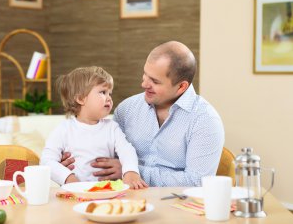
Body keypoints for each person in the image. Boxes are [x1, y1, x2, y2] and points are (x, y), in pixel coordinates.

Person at [61, 41, 225, 187]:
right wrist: (76, 160)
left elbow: (197, 182)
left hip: (176, 206)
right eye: (145, 75)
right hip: (124, 202)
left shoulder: (205, 120)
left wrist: (130, 171)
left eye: (154, 81)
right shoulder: (127, 109)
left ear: (181, 87)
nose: (144, 84)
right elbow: (106, 154)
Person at [40, 66, 148, 189]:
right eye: (103, 92)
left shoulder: (112, 128)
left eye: (109, 93)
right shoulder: (63, 129)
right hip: (74, 192)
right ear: (81, 98)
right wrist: (68, 178)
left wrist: (130, 172)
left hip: (108, 191)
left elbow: (127, 151)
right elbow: (46, 161)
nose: (109, 98)